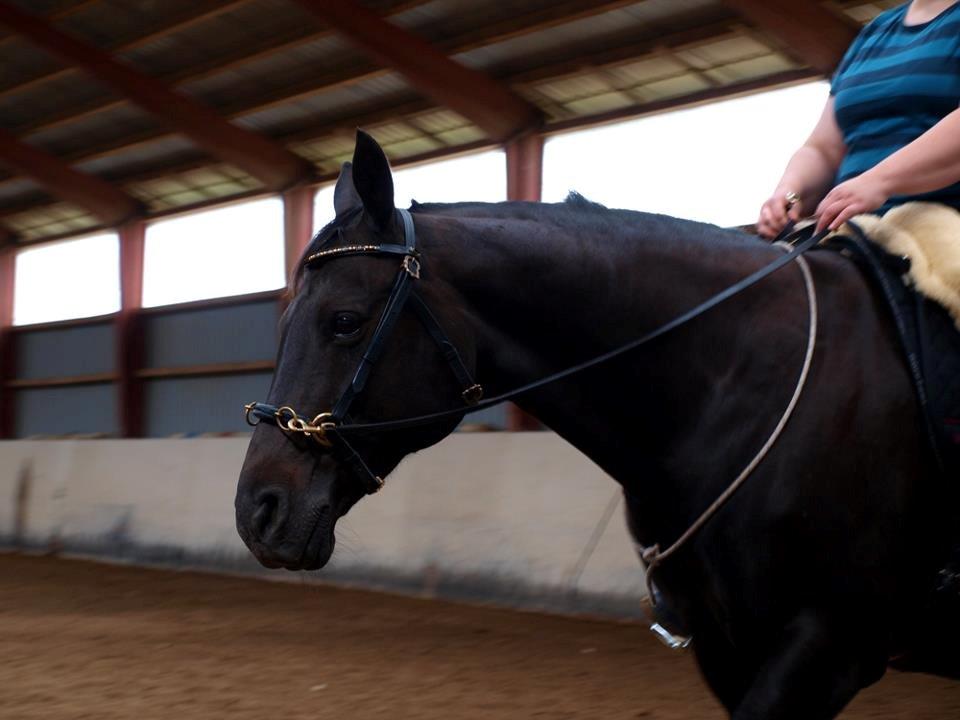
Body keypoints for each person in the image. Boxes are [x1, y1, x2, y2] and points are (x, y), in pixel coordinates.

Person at [758, 0, 960, 239]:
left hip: (943, 226)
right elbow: (823, 149)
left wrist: (880, 181)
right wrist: (790, 191)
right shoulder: (875, 32)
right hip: (854, 228)